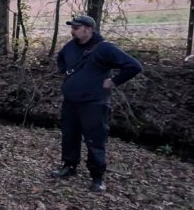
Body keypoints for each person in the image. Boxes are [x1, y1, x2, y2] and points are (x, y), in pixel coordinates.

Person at [51, 15, 142, 192]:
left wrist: (114, 81)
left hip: (94, 103)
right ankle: (69, 166)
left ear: (89, 30)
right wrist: (66, 73)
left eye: (76, 28)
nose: (72, 31)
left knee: (95, 140)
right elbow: (60, 58)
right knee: (69, 136)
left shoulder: (105, 48)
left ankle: (97, 177)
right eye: (72, 28)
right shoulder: (70, 46)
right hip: (71, 101)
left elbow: (134, 66)